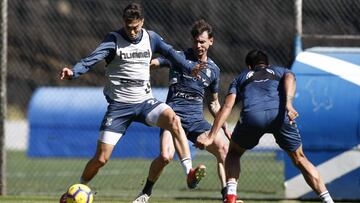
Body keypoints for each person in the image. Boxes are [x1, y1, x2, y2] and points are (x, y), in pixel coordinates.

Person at [59, 2, 206, 202]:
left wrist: (190, 68)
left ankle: (189, 172)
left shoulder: (151, 38)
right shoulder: (114, 40)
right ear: (124, 24)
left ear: (142, 22)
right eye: (129, 27)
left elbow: (171, 53)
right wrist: (73, 72)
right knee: (101, 159)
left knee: (173, 118)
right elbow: (91, 59)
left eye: (136, 27)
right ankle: (76, 190)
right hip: (119, 107)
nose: (133, 31)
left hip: (145, 102)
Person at [197, 50, 334, 203]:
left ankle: (230, 196)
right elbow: (290, 77)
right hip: (280, 115)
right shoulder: (279, 71)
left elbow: (227, 107)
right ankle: (328, 200)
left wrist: (211, 135)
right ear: (267, 64)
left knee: (234, 153)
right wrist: (288, 103)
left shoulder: (241, 77)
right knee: (300, 159)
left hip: (252, 116)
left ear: (249, 66)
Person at [133, 19, 231, 203]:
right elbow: (156, 62)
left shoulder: (213, 70)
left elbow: (214, 104)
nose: (198, 45)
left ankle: (227, 196)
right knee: (165, 156)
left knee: (223, 148)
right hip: (172, 118)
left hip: (196, 122)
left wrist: (224, 127)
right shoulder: (179, 57)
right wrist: (143, 65)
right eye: (195, 41)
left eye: (202, 41)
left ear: (211, 41)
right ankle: (146, 192)